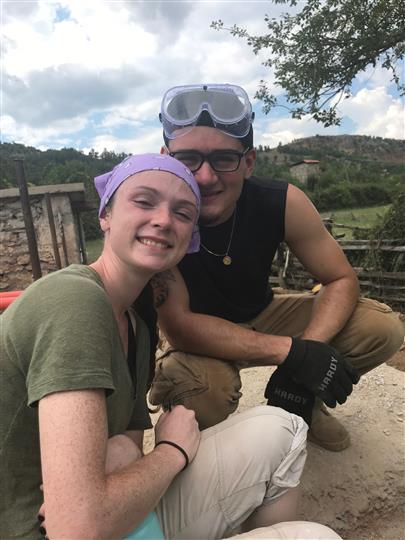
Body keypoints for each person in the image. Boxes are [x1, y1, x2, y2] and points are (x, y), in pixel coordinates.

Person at [0, 153, 341, 540]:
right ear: (105, 216)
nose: (163, 220)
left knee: (284, 426)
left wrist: (113, 466)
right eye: (144, 202)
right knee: (316, 537)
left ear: (189, 238)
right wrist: (172, 451)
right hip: (40, 529)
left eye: (182, 213)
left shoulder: (136, 324)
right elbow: (77, 527)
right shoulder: (74, 301)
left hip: (117, 519)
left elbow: (127, 450)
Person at [149, 83, 405, 452]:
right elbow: (181, 326)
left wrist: (307, 358)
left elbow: (339, 278)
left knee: (381, 328)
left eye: (224, 158)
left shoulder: (282, 202)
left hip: (265, 311)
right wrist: (290, 352)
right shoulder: (158, 219)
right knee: (205, 390)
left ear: (249, 161)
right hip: (199, 337)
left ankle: (304, 403)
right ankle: (193, 442)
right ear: (167, 158)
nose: (205, 177)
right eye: (188, 158)